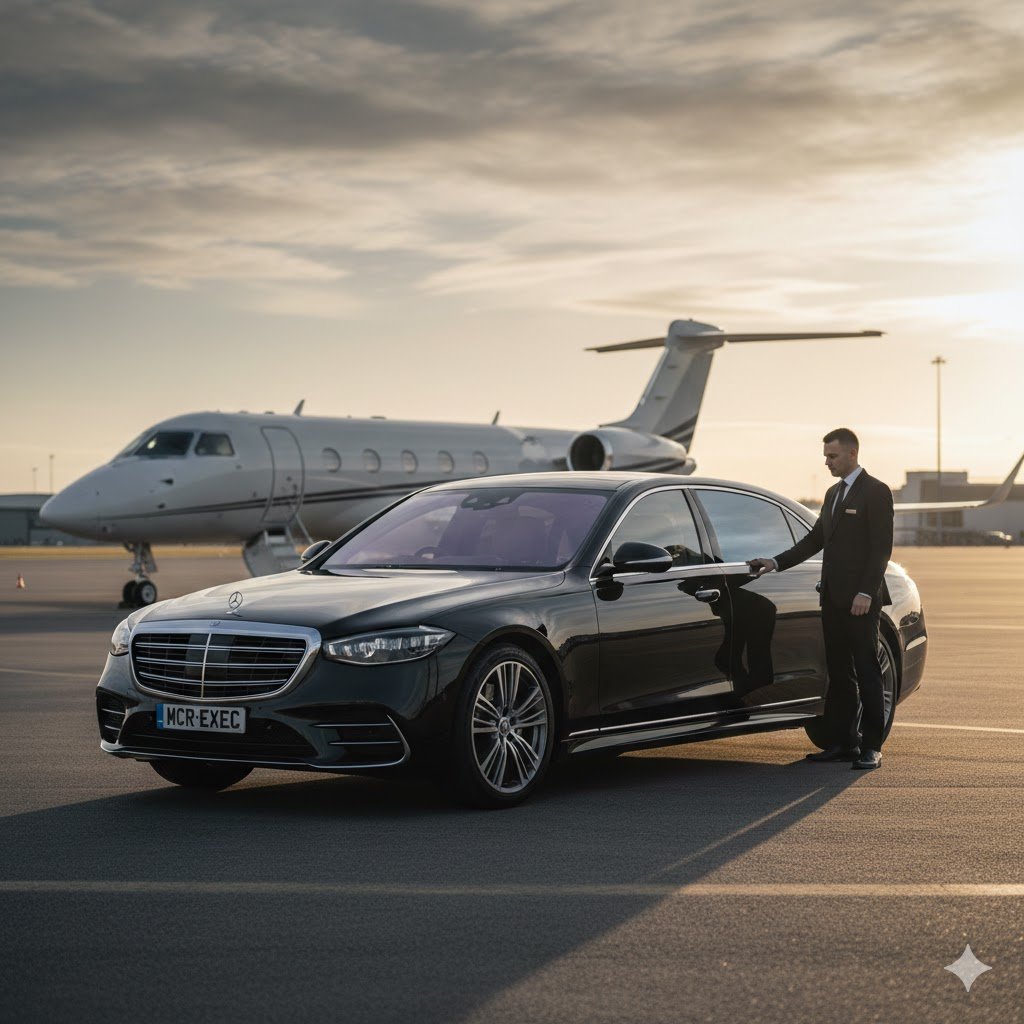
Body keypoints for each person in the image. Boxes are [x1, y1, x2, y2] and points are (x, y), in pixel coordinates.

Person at [747, 428, 894, 770]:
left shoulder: (876, 491)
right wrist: (775, 562)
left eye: (833, 456)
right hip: (831, 599)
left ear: (852, 454)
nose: (827, 462)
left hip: (861, 600)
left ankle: (872, 746)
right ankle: (845, 743)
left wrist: (865, 592)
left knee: (867, 671)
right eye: (826, 456)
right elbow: (814, 541)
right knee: (840, 674)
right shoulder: (832, 494)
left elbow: (880, 548)